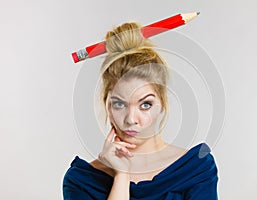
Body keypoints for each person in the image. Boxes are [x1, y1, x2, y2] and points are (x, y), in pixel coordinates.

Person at [63, 22, 218, 199]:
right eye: (119, 104)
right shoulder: (80, 181)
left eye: (145, 104)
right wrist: (122, 175)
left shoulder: (196, 170)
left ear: (162, 103)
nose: (131, 119)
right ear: (107, 104)